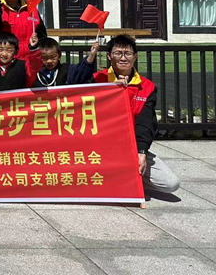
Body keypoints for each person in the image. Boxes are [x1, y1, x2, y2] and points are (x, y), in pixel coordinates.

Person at [68, 34, 180, 195]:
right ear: (109, 56)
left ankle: (126, 177)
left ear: (135, 57)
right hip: (97, 147)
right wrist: (108, 89)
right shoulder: (97, 79)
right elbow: (74, 92)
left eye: (127, 53)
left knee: (170, 183)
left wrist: (141, 152)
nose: (123, 58)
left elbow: (146, 123)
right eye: (118, 53)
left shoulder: (147, 87)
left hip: (129, 147)